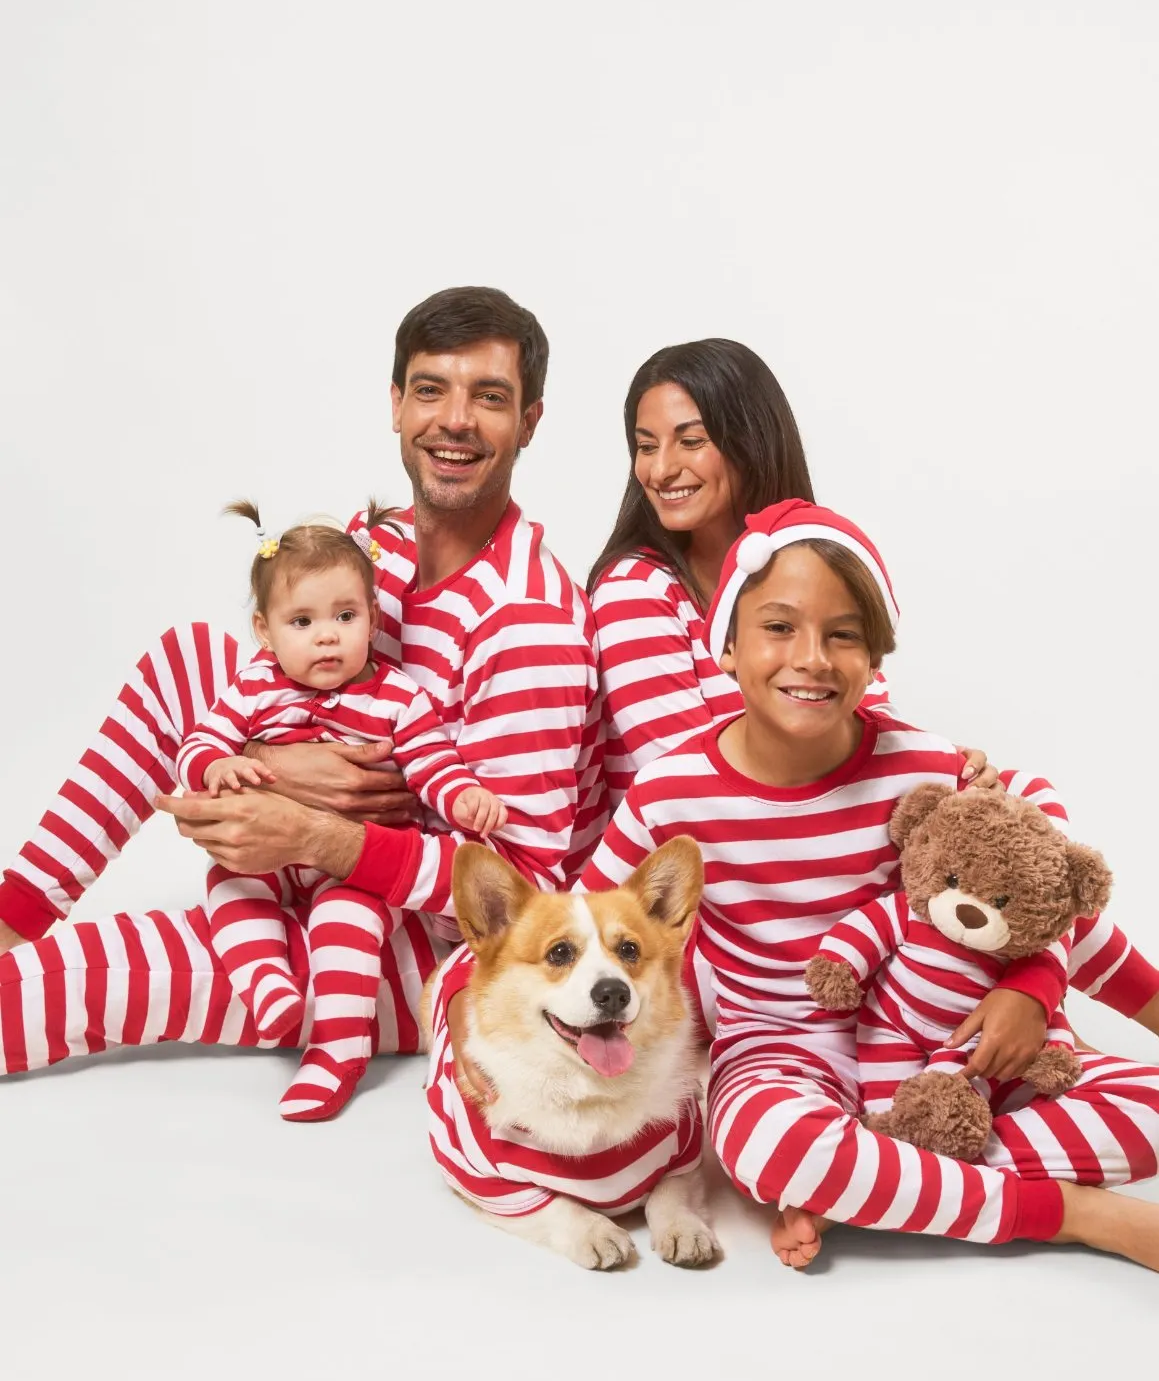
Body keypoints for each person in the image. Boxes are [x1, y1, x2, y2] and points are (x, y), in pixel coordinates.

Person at [0, 286, 606, 1090]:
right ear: (396, 404)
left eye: (488, 397)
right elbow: (286, 678)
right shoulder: (375, 553)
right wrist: (264, 763)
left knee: (80, 978)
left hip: (433, 949)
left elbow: (523, 891)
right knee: (188, 659)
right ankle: (12, 920)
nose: (454, 420)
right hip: (331, 865)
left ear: (529, 421)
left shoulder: (528, 623)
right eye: (430, 389)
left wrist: (312, 835)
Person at [578, 498, 1159, 1272]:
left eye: (842, 633)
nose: (811, 657)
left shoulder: (917, 766)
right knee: (765, 1149)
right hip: (779, 1048)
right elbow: (584, 928)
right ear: (726, 647)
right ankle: (1073, 1216)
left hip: (943, 1041)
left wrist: (1033, 986)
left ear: (874, 658)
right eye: (779, 627)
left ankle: (877, 1174)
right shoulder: (670, 792)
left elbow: (1040, 847)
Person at [585, 337, 1159, 1039]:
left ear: (748, 441)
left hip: (837, 873)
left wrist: (945, 780)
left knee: (999, 848)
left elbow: (859, 724)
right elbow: (685, 773)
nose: (661, 468)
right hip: (729, 904)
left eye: (689, 441)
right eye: (644, 446)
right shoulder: (635, 588)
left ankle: (1024, 999)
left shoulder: (817, 560)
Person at [175, 500, 507, 1120]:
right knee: (229, 883)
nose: (327, 635)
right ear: (264, 631)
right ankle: (268, 986)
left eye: (345, 616)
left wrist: (462, 794)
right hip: (268, 859)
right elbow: (198, 742)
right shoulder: (254, 686)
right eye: (301, 622)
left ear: (373, 618)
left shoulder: (396, 697)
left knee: (347, 921)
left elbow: (431, 760)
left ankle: (337, 1049)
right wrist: (218, 765)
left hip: (346, 865)